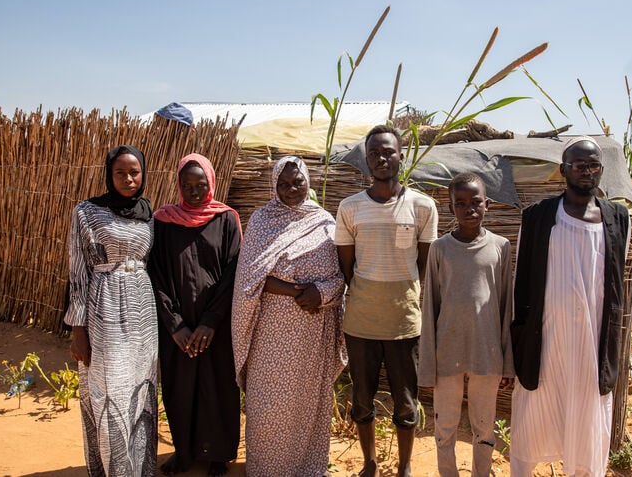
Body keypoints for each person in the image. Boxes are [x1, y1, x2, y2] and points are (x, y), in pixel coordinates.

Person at [509, 136, 631, 477]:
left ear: (601, 171)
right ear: (564, 169)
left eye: (593, 165)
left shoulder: (617, 219)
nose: (587, 171)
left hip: (592, 343)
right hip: (546, 340)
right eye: (579, 165)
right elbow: (523, 283)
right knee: (534, 415)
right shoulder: (538, 217)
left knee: (587, 417)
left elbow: (614, 284)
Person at [231, 156, 346, 477]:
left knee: (307, 407)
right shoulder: (261, 221)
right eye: (283, 183)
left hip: (312, 335)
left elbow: (340, 277)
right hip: (270, 336)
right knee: (269, 409)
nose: (291, 189)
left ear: (308, 182)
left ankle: (307, 469)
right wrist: (298, 292)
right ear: (273, 185)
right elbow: (249, 278)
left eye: (297, 182)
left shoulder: (325, 222)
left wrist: (320, 294)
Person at [335, 125, 439, 477]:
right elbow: (346, 267)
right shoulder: (350, 208)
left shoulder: (423, 206)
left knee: (406, 403)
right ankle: (369, 463)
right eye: (375, 153)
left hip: (404, 323)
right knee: (362, 399)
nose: (382, 158)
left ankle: (406, 466)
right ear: (367, 160)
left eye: (389, 152)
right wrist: (368, 294)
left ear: (401, 156)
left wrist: (399, 295)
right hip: (361, 323)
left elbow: (424, 265)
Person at [65, 145, 158, 476]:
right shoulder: (87, 212)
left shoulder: (149, 213)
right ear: (109, 174)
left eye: (134, 172)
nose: (129, 178)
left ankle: (141, 469)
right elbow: (77, 274)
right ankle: (114, 468)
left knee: (142, 390)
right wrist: (78, 331)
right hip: (104, 303)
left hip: (144, 313)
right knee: (110, 388)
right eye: (121, 172)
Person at [149, 154, 241, 477]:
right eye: (187, 185)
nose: (194, 191)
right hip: (179, 329)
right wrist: (175, 326)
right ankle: (184, 452)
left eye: (200, 184)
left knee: (218, 387)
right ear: (178, 185)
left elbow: (233, 273)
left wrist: (210, 322)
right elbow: (156, 276)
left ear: (211, 184)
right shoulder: (163, 222)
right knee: (180, 388)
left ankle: (219, 455)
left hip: (215, 325)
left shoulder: (226, 219)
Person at [418, 173, 514, 477]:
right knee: (444, 427)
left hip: (487, 355)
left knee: (484, 429)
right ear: (451, 208)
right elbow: (429, 306)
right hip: (447, 354)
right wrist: (427, 366)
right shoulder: (440, 249)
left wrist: (507, 363)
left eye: (475, 202)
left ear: (487, 204)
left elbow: (505, 305)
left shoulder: (501, 247)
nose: (469, 208)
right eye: (461, 203)